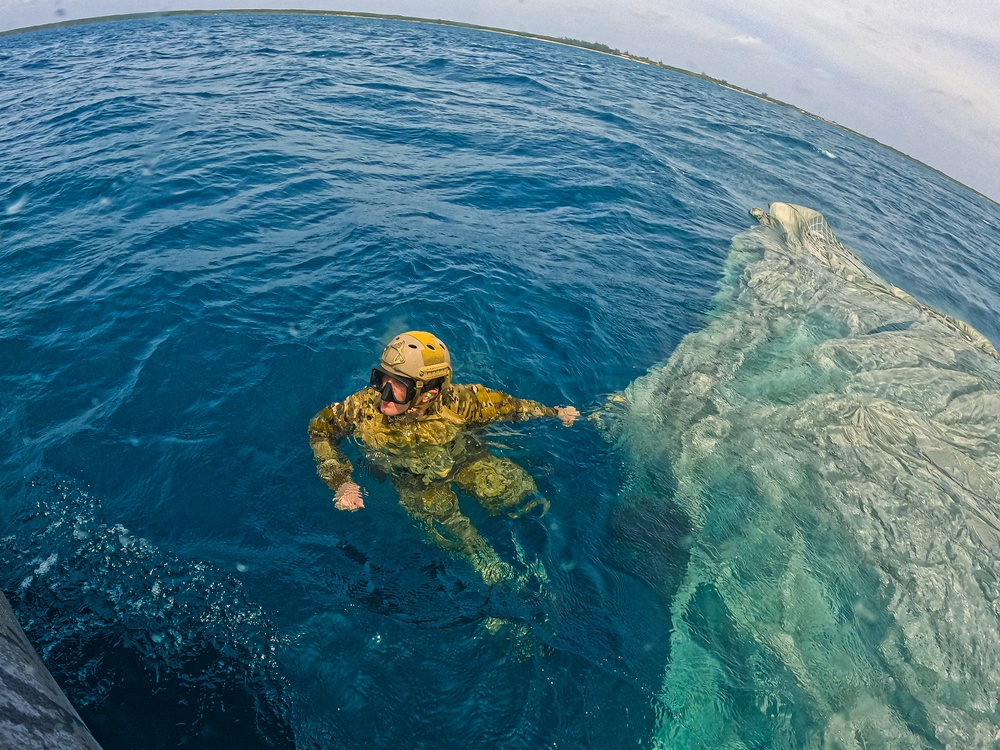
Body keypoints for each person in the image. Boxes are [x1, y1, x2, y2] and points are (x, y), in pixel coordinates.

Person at [308, 330, 579, 584]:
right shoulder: (362, 407)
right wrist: (340, 480)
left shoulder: (461, 402)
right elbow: (320, 430)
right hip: (415, 480)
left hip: (465, 459)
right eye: (380, 379)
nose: (383, 394)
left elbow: (511, 407)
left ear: (429, 393)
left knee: (521, 495)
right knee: (458, 534)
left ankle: (547, 567)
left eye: (398, 387)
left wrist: (555, 412)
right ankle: (496, 575)